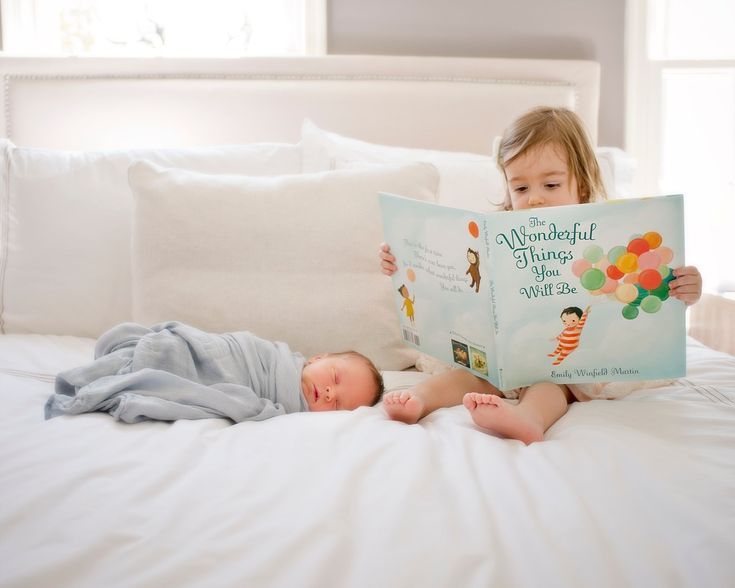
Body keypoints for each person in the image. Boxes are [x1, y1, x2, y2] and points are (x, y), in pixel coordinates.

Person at [378, 106, 702, 444]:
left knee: (549, 385)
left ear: (583, 179)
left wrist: (684, 289)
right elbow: (447, 280)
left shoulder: (609, 232)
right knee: (470, 373)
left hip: (567, 364)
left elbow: (643, 289)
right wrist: (401, 262)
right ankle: (420, 399)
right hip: (505, 352)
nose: (534, 199)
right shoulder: (492, 235)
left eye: (550, 184)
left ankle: (528, 418)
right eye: (520, 189)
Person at [46, 321, 383, 423]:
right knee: (169, 351)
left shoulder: (293, 416)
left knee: (177, 378)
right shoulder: (278, 357)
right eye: (335, 378)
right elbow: (237, 348)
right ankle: (145, 357)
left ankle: (137, 370)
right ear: (318, 358)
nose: (328, 393)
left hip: (233, 384)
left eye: (338, 404)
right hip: (220, 356)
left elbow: (245, 405)